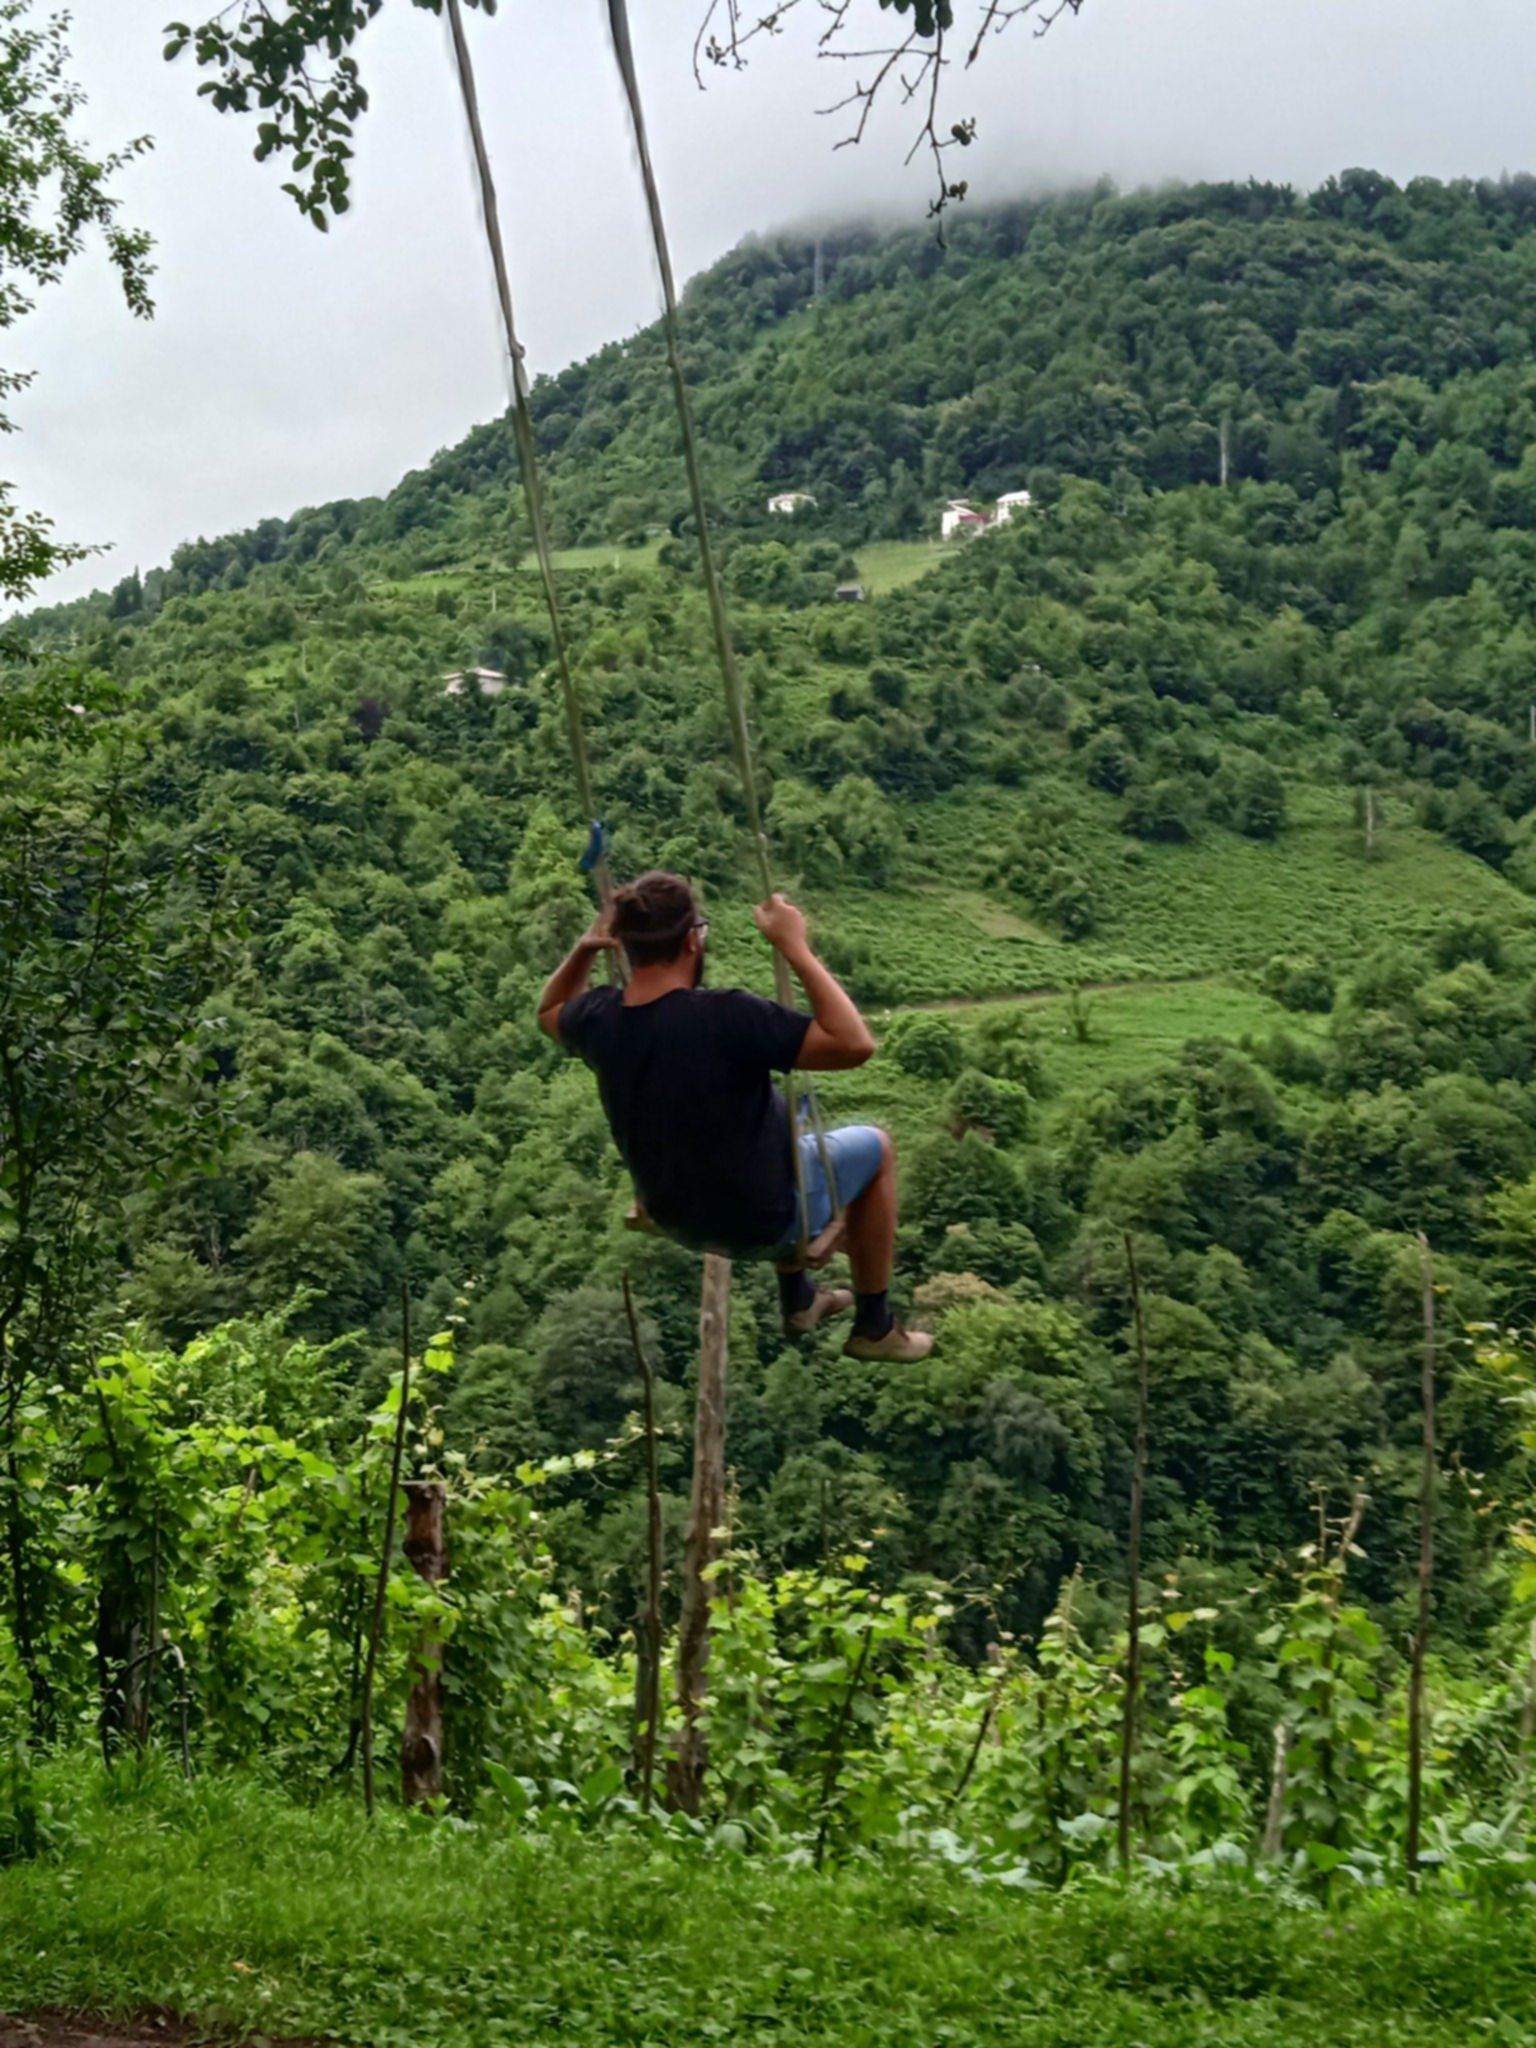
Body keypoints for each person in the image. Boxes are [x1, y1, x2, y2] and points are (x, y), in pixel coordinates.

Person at [537, 869, 933, 1361]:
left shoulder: (598, 1018)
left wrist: (584, 948)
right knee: (877, 1147)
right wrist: (795, 947)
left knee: (785, 1111)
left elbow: (550, 1008)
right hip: (763, 1220)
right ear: (691, 941)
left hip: (678, 1216)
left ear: (622, 945)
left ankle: (800, 1298)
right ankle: (875, 1326)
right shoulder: (728, 1016)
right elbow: (855, 1044)